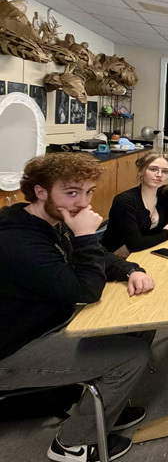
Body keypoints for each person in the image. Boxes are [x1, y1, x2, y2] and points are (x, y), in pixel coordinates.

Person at [0, 153, 155, 461]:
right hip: (13, 350)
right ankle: (72, 445)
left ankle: (97, 410)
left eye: (88, 192)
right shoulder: (17, 241)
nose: (82, 203)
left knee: (139, 324)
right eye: (71, 192)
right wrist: (85, 235)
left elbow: (96, 256)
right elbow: (85, 289)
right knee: (132, 356)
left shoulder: (47, 219)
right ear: (41, 192)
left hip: (46, 325)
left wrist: (130, 270)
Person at [102, 152, 168, 256]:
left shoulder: (166, 193)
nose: (159, 175)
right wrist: (165, 233)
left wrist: (155, 236)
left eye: (165, 171)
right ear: (141, 171)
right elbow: (135, 243)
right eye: (153, 169)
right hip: (115, 258)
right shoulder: (124, 201)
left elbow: (157, 229)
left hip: (144, 251)